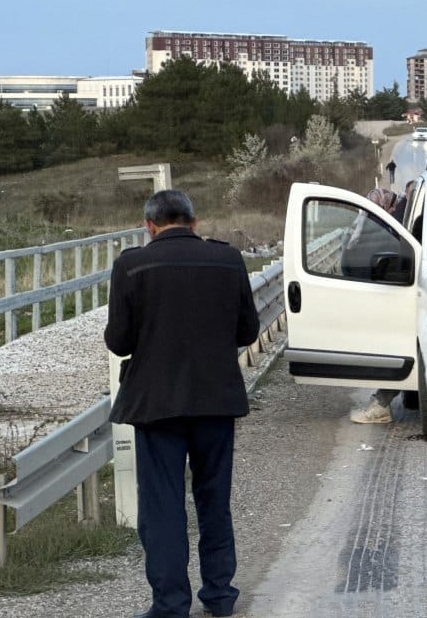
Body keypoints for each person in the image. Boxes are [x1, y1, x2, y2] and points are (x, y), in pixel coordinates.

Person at [105, 189, 259, 618]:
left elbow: (118, 341)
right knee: (213, 500)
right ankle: (220, 596)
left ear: (149, 226)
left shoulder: (131, 266)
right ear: (194, 222)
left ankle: (171, 604)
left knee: (163, 507)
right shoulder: (228, 259)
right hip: (216, 400)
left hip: (156, 406)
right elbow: (248, 331)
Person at [346, 186, 404, 425]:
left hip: (375, 299)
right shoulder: (381, 230)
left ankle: (381, 404)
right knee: (397, 353)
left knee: (396, 354)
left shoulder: (365, 227)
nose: (395, 208)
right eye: (392, 204)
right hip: (381, 298)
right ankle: (381, 403)